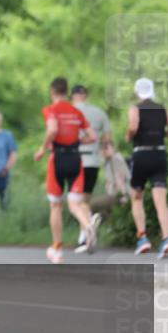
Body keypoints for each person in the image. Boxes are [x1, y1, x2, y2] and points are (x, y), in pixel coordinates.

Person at [34, 77, 98, 263]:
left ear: (52, 92)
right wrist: (77, 141)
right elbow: (93, 137)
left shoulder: (51, 110)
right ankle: (87, 225)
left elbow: (52, 130)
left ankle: (57, 248)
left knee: (56, 205)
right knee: (75, 204)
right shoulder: (76, 112)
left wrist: (42, 149)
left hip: (58, 159)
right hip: (76, 159)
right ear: (67, 92)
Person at [125, 77, 168, 258]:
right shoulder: (162, 108)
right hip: (159, 154)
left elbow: (133, 126)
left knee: (137, 197)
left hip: (141, 154)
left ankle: (143, 238)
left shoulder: (135, 108)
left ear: (137, 91)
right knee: (161, 200)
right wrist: (163, 134)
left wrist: (129, 136)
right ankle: (166, 239)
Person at [71, 84, 112, 251]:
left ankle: (86, 230)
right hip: (93, 161)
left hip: (74, 160)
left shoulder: (69, 112)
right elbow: (107, 138)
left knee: (75, 201)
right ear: (86, 95)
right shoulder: (99, 112)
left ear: (72, 96)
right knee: (85, 199)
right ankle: (85, 236)